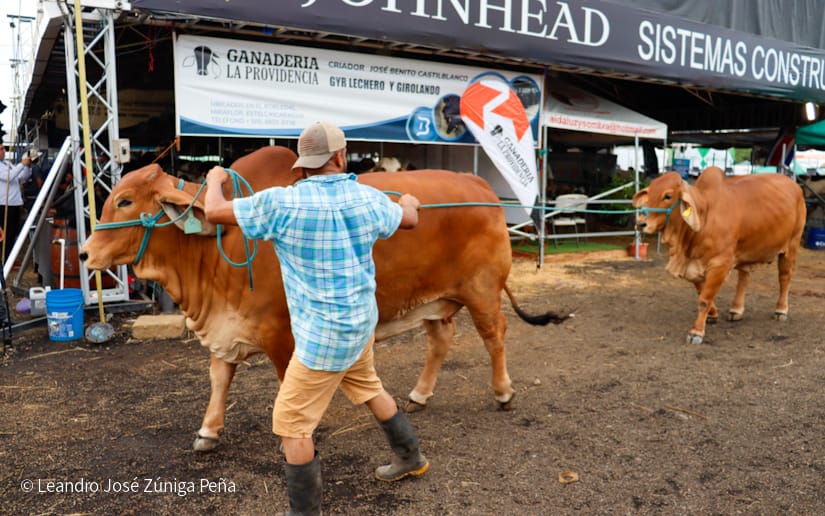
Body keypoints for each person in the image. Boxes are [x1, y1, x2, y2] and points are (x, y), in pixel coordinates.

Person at [204, 121, 427, 515]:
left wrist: (214, 178)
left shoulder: (281, 203)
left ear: (303, 164)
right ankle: (410, 457)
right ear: (341, 157)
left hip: (322, 338)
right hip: (359, 324)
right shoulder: (367, 198)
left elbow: (214, 211)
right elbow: (408, 220)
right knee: (369, 387)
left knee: (291, 424)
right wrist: (409, 201)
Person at [0, 146, 33, 263]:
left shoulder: (7, 163)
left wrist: (27, 166)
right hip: (4, 205)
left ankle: (8, 258)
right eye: (1, 149)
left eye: (3, 149)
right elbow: (9, 176)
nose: (3, 151)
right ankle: (4, 259)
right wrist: (21, 164)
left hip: (14, 204)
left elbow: (22, 177)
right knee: (4, 234)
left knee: (12, 233)